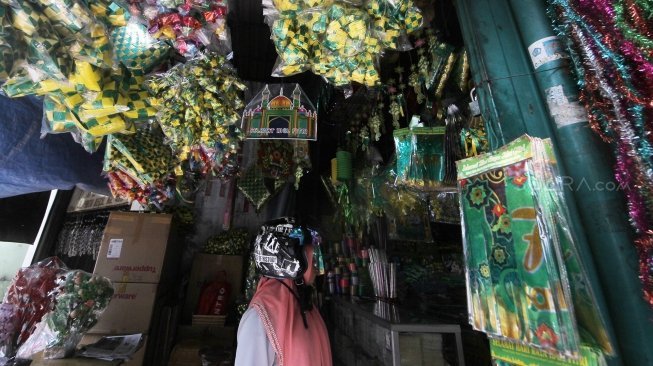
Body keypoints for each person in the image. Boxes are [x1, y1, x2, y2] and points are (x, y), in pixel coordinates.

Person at [235, 218, 332, 366]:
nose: (318, 267)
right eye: (313, 258)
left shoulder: (304, 307)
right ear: (291, 258)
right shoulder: (259, 319)